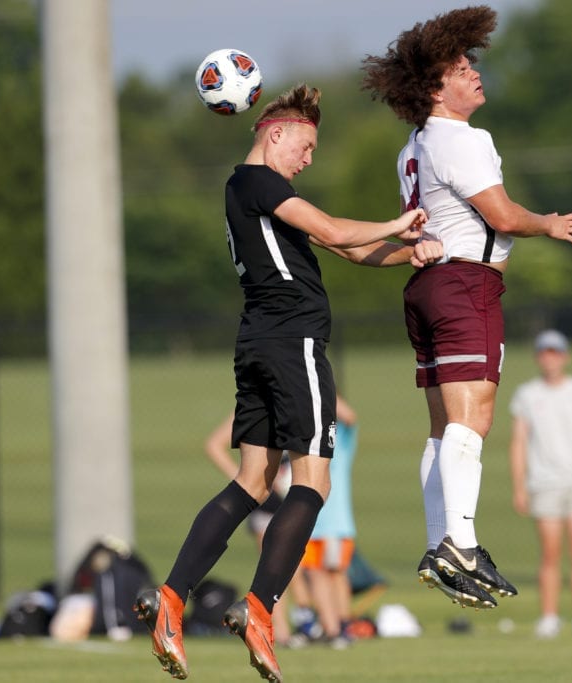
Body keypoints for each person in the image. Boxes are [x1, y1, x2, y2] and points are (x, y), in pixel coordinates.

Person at [134, 84, 442, 682]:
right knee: (315, 480)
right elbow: (331, 230)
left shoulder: (252, 194)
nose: (308, 159)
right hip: (292, 341)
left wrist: (410, 253)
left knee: (254, 480)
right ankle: (259, 610)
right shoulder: (260, 184)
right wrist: (399, 221)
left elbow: (349, 252)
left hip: (257, 341)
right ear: (274, 133)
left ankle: (171, 601)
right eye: (305, 146)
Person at [361, 5, 572, 609]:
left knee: (443, 429)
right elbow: (503, 216)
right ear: (435, 87)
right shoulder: (462, 139)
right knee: (473, 422)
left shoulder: (414, 145)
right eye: (461, 68)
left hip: (430, 287)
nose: (474, 75)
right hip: (464, 285)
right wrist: (548, 223)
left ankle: (443, 545)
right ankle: (457, 544)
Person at [508, 330, 572, 639]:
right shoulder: (527, 394)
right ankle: (549, 617)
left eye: (555, 352)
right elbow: (519, 442)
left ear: (565, 356)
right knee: (550, 553)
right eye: (544, 353)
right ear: (538, 357)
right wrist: (519, 486)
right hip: (544, 482)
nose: (550, 358)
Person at [204, 412, 309, 648]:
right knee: (273, 567)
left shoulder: (294, 402)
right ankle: (280, 633)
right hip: (266, 508)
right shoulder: (252, 406)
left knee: (296, 568)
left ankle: (303, 624)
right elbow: (214, 445)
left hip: (293, 502)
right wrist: (246, 483)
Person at [297, 394, 359, 648]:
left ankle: (341, 626)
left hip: (334, 523)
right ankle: (331, 626)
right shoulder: (304, 443)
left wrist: (318, 390)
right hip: (311, 522)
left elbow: (349, 416)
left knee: (334, 574)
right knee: (315, 574)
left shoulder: (339, 440)